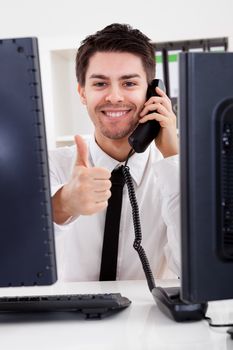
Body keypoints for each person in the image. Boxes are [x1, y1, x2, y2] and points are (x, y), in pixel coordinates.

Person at [49, 23, 180, 282]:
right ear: (82, 93)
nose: (114, 97)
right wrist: (62, 205)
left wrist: (175, 160)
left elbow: (194, 272)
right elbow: (19, 260)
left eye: (129, 83)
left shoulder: (176, 172)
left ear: (153, 93)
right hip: (67, 322)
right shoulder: (51, 165)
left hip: (152, 321)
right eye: (100, 84)